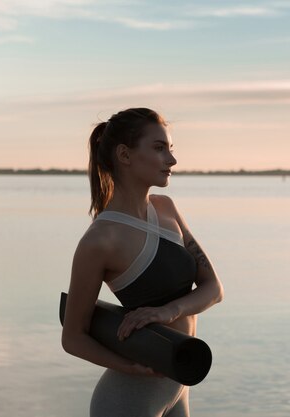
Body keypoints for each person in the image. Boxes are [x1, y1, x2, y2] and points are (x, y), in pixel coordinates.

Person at [61, 107, 224, 417]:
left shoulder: (166, 209)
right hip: (130, 396)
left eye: (171, 149)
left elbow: (214, 288)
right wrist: (128, 367)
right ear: (125, 154)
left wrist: (168, 311)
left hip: (177, 384)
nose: (172, 160)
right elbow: (73, 337)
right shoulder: (100, 240)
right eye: (159, 148)